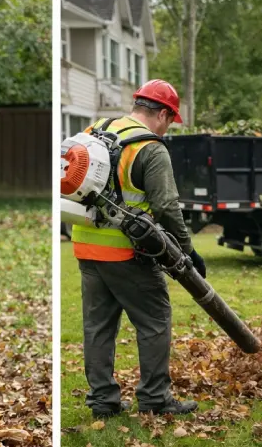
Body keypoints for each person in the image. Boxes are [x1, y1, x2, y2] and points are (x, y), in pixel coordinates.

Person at [72, 79, 205, 418]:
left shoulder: (97, 130)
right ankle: (155, 399)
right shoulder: (151, 147)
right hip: (129, 253)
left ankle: (103, 402)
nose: (170, 126)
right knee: (155, 320)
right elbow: (166, 206)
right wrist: (188, 252)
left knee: (98, 326)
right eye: (171, 119)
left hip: (87, 245)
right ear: (162, 113)